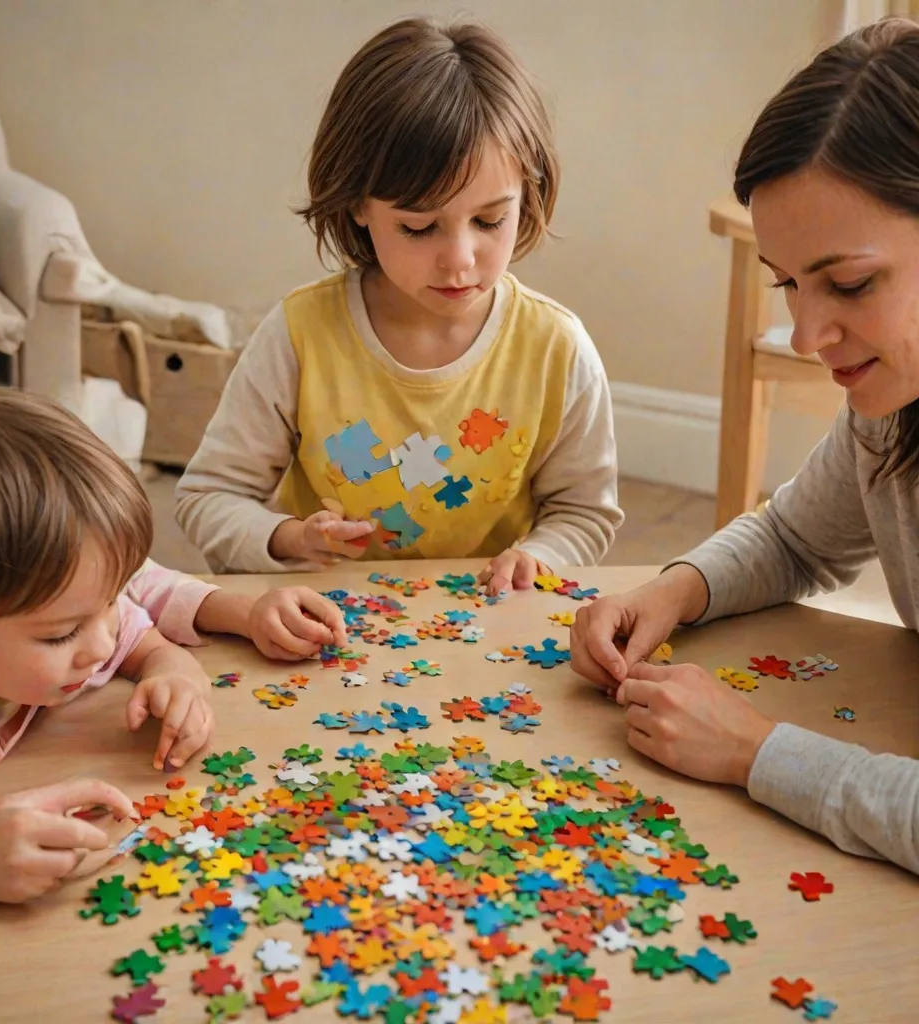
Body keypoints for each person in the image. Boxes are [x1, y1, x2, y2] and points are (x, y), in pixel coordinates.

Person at [569, 18, 919, 876]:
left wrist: (757, 751)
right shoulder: (892, 414)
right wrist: (675, 590)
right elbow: (795, 536)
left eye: (846, 283)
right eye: (788, 284)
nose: (804, 336)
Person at [176, 17, 623, 595]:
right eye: (418, 227)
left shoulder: (557, 348)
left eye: (490, 220)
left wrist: (539, 557)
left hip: (486, 635)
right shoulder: (300, 335)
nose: (459, 259)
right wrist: (288, 537)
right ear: (358, 203)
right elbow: (207, 496)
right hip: (330, 625)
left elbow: (585, 512)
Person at [0, 386, 346, 907]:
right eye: (61, 633)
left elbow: (140, 622)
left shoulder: (70, 622)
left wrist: (172, 668)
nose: (103, 642)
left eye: (112, 601)